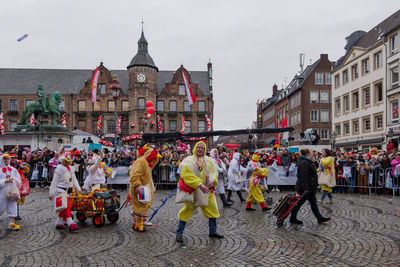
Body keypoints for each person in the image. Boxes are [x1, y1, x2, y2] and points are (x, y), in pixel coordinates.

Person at [176, 141, 223, 242]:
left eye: (202, 148)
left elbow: (213, 172)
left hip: (207, 190)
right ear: (195, 148)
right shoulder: (188, 161)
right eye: (198, 147)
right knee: (187, 210)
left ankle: (213, 231)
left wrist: (212, 182)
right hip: (193, 190)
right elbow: (186, 174)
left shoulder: (209, 161)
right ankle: (179, 233)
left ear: (205, 149)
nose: (200, 149)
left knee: (213, 209)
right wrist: (199, 184)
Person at [290, 149, 330, 225]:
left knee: (313, 203)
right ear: (308, 154)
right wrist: (306, 188)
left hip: (309, 187)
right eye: (312, 153)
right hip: (305, 188)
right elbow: (303, 176)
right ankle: (292, 218)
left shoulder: (308, 162)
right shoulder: (305, 163)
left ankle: (319, 217)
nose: (313, 154)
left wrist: (315, 162)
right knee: (299, 203)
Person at [129, 147, 162, 232]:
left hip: (145, 187)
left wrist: (157, 158)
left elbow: (153, 163)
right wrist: (136, 185)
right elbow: (134, 174)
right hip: (140, 187)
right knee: (140, 206)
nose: (153, 160)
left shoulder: (148, 162)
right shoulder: (141, 162)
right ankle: (138, 224)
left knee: (143, 205)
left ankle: (139, 221)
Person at [49, 152, 82, 231]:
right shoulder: (59, 169)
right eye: (69, 160)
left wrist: (78, 189)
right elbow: (54, 181)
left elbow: (74, 179)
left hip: (68, 190)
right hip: (60, 189)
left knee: (63, 207)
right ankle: (70, 223)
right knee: (67, 206)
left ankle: (59, 223)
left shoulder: (71, 168)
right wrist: (51, 193)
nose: (71, 161)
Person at [0, 154, 22, 230]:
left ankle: (11, 224)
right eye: (4, 159)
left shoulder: (13, 169)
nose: (6, 161)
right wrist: (4, 181)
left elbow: (19, 180)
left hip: (12, 191)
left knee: (13, 206)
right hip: (2, 191)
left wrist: (14, 180)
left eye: (8, 159)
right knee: (1, 207)